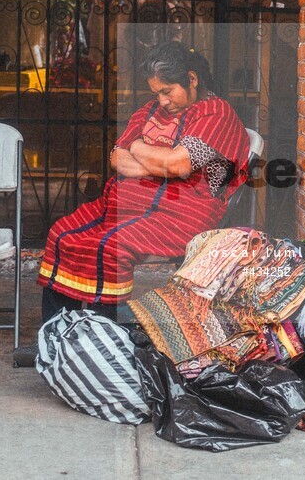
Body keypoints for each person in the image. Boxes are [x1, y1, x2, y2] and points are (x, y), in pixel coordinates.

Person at [36, 41, 250, 323]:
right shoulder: (149, 112)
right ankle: (58, 332)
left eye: (167, 91)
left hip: (180, 215)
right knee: (63, 234)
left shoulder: (215, 113)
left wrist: (138, 148)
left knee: (110, 247)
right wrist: (159, 164)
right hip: (126, 206)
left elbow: (179, 163)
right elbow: (117, 159)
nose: (162, 101)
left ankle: (106, 335)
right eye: (157, 93)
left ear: (192, 79)